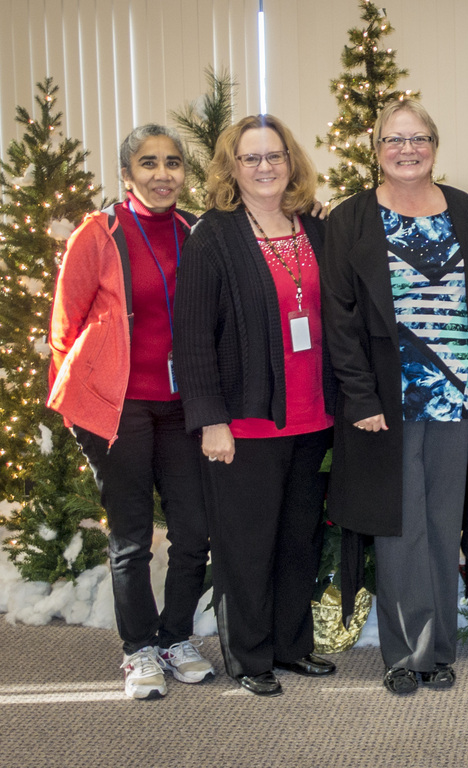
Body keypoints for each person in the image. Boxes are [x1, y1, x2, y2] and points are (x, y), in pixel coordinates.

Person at [321, 99, 468, 696]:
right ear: (377, 150)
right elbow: (339, 318)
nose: (407, 150)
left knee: (443, 525)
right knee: (399, 529)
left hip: (457, 398)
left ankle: (439, 650)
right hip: (387, 404)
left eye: (418, 138)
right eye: (394, 140)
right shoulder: (351, 219)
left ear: (435, 146)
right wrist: (360, 396)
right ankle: (404, 653)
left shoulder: (465, 211)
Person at [172, 114, 338, 698]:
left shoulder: (315, 229)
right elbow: (192, 338)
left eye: (275, 156)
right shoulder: (212, 237)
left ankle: (291, 646)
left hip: (314, 418)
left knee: (299, 541)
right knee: (245, 547)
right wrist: (211, 421)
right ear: (232, 167)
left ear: (291, 162)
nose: (265, 167)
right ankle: (249, 655)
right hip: (245, 423)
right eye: (251, 158)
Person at [49, 124, 213, 700]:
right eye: (148, 163)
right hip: (119, 408)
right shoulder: (99, 233)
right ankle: (139, 648)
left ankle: (175, 637)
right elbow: (64, 327)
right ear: (126, 174)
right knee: (131, 537)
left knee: (193, 531)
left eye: (173, 163)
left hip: (182, 406)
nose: (162, 174)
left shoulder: (196, 231)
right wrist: (82, 407)